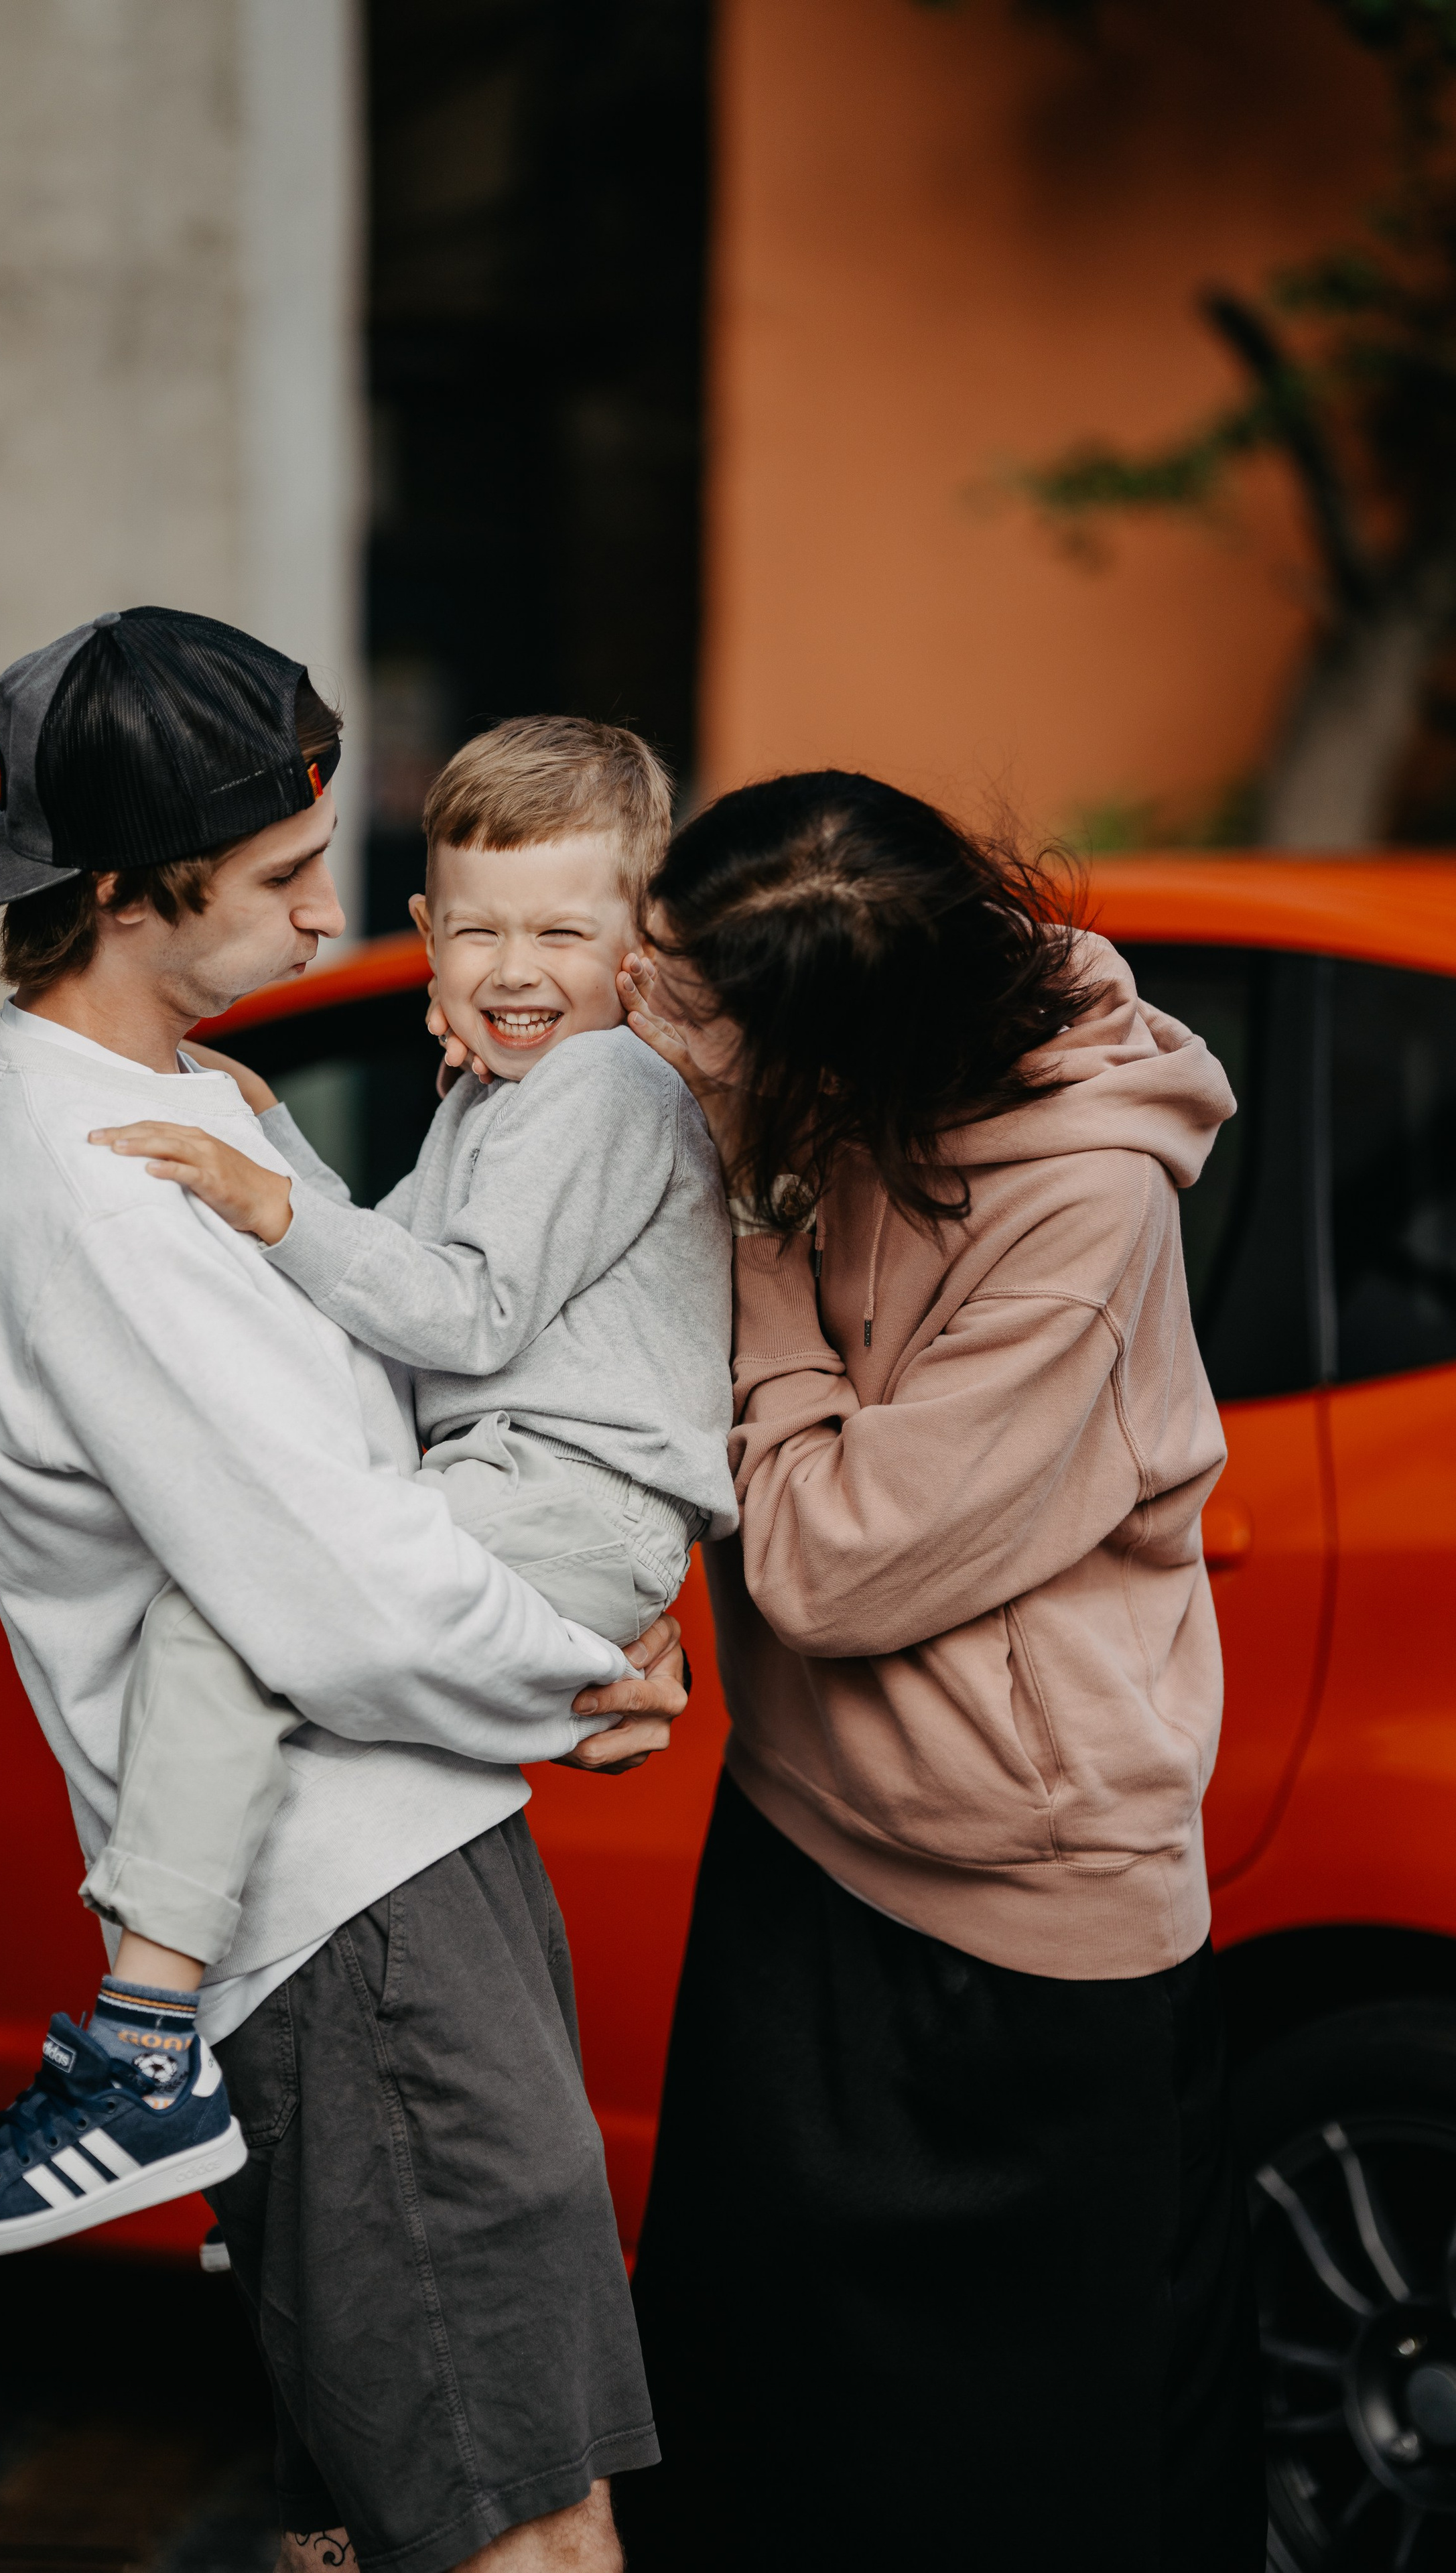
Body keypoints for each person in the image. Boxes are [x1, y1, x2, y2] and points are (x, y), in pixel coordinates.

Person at [0, 607, 683, 2573]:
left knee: (402, 2520)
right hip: (350, 1915)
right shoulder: (96, 1186)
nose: (337, 919)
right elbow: (340, 1586)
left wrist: (459, 1134)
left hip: (394, 1865)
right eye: (281, 877)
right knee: (525, 2526)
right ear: (124, 892)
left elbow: (398, 1399)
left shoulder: (193, 1109)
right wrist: (574, 1681)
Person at [612, 772, 1265, 2572]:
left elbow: (828, 1563)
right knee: (747, 2441)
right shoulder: (831, 1048)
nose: (644, 1010)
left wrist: (755, 1261)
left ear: (835, 1055)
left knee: (1025, 2491)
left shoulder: (1085, 1207)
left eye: (684, 997)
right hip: (795, 1839)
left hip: (1016, 1929)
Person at [36, 714, 734, 2014]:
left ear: (644, 944)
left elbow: (461, 1316)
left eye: (562, 934)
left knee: (228, 1614)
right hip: (530, 1495)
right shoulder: (508, 1093)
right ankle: (178, 2024)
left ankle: (145, 2018)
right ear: (426, 932)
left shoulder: (604, 1086)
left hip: (575, 1500)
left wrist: (268, 1199)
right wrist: (277, 1137)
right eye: (478, 933)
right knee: (246, 1624)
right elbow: (396, 1274)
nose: (513, 971)